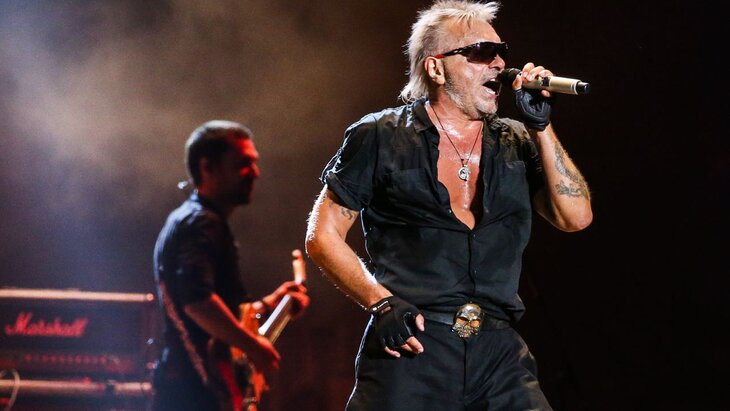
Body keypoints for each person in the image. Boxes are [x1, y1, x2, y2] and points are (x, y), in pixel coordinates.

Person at [305, 1, 592, 410]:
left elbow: (576, 218)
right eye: (481, 53)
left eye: (501, 52)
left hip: (498, 353)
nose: (498, 63)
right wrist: (380, 301)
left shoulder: (516, 140)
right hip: (413, 343)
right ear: (436, 68)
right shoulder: (380, 136)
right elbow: (323, 234)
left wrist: (541, 128)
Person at [152, 120, 309, 411]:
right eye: (243, 164)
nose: (255, 173)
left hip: (195, 391)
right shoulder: (201, 223)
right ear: (207, 167)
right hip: (194, 394)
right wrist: (253, 346)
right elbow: (197, 302)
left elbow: (214, 310)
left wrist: (268, 306)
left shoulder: (199, 220)